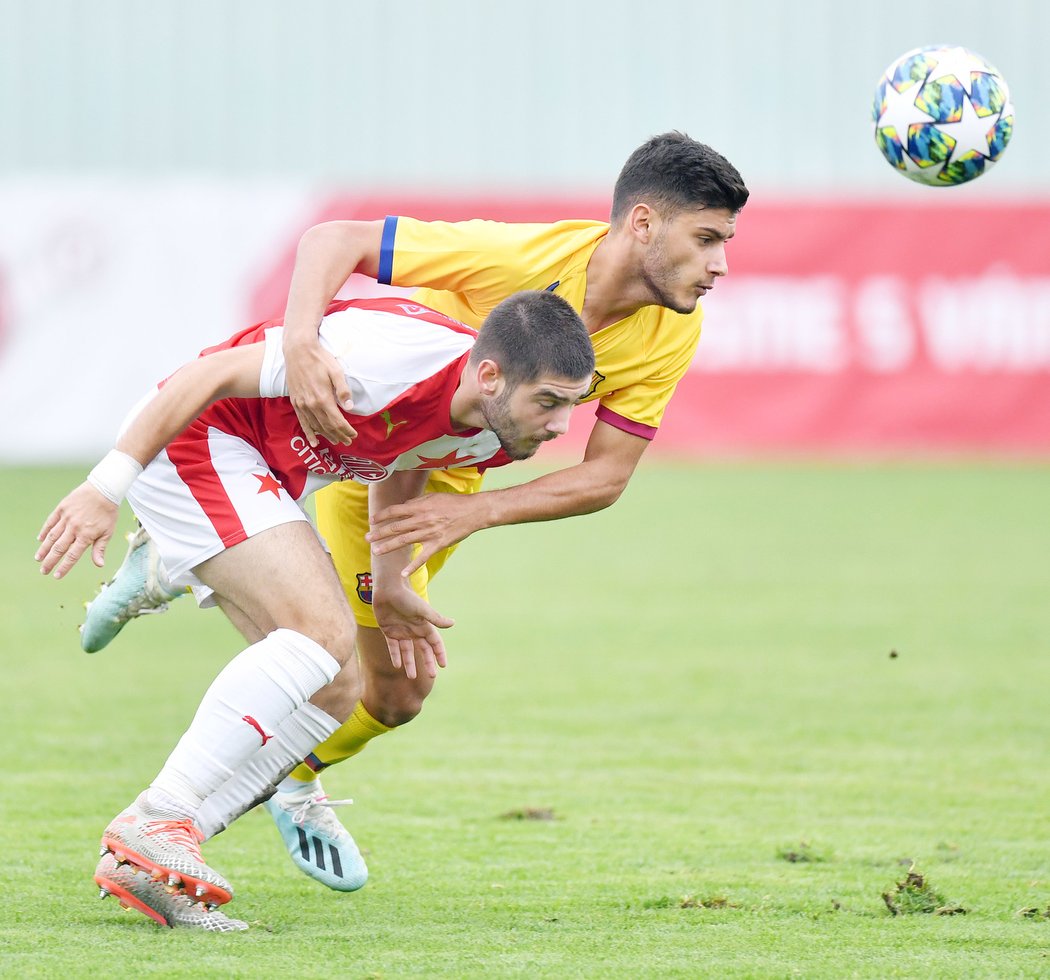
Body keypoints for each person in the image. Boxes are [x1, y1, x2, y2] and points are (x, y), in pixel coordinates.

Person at [79, 131, 750, 891]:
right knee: (325, 652)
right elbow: (337, 239)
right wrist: (302, 343)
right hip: (380, 444)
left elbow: (605, 477)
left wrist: (473, 515)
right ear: (642, 225)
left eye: (724, 243)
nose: (721, 264)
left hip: (434, 472)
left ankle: (264, 756)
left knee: (393, 695)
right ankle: (200, 799)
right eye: (707, 240)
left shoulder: (673, 331)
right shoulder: (520, 265)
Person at [37, 290, 594, 929]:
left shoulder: (494, 432)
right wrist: (106, 487)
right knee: (322, 632)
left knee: (336, 689)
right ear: (490, 375)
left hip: (267, 475)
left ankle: (152, 855)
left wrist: (388, 582)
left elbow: (407, 460)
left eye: (570, 405)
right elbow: (207, 375)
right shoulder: (386, 358)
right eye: (548, 402)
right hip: (199, 435)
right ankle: (160, 813)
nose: (559, 427)